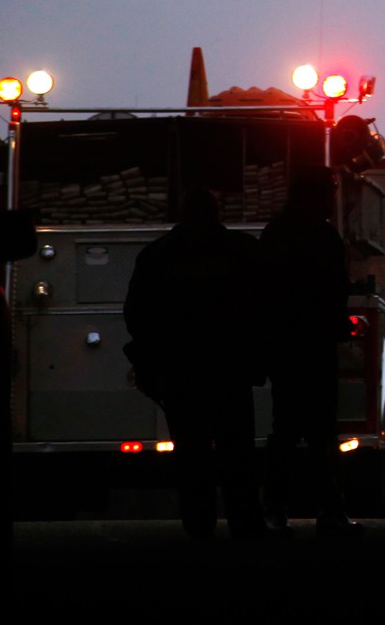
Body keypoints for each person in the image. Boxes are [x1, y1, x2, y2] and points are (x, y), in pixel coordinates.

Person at [123, 189, 267, 540]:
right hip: (230, 370)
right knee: (237, 452)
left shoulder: (156, 255)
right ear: (217, 212)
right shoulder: (241, 251)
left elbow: (137, 314)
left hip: (180, 372)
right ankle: (244, 521)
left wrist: (150, 362)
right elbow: (262, 306)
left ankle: (198, 522)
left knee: (191, 452)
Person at [259, 167, 363, 538]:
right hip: (315, 349)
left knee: (284, 433)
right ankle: (330, 512)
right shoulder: (325, 237)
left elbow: (264, 293)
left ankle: (274, 510)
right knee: (321, 435)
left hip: (285, 348)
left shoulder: (275, 234)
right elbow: (335, 292)